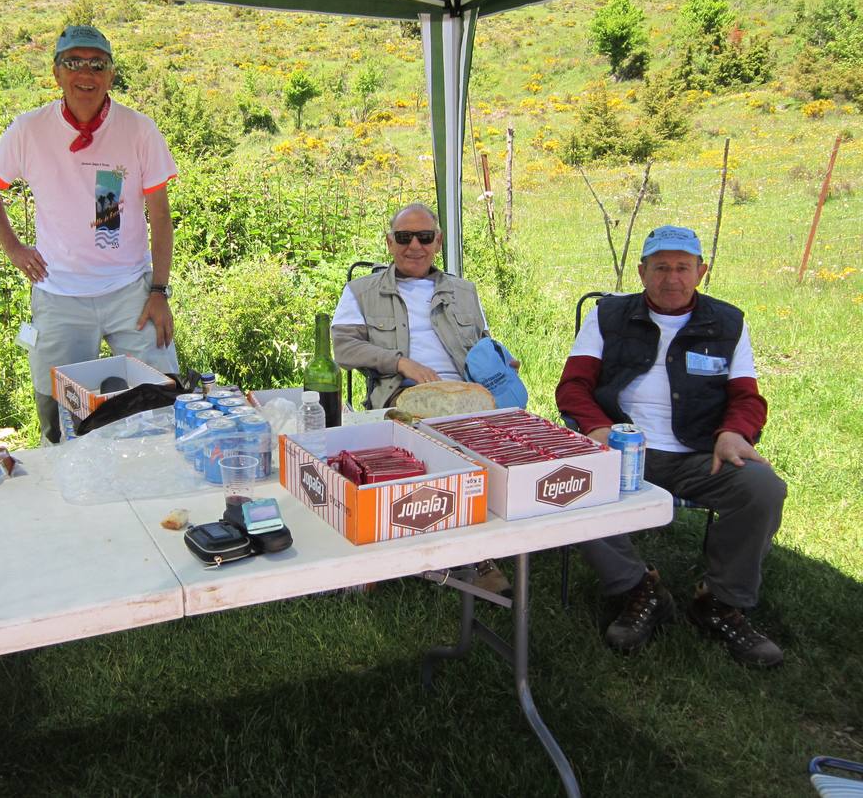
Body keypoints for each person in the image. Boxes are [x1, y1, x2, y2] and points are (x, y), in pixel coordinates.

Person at [556, 225, 786, 668]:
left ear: (701, 271)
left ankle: (720, 602)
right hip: (620, 448)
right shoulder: (608, 316)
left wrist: (735, 431)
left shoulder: (727, 322)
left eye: (683, 267)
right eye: (660, 267)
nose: (672, 278)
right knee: (570, 485)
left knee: (762, 488)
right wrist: (597, 428)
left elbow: (746, 397)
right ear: (642, 271)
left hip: (701, 452)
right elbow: (574, 386)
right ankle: (638, 588)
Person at [0, 24, 179, 444]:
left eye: (97, 64)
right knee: (59, 421)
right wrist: (13, 248)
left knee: (162, 400)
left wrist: (159, 290)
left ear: (111, 74)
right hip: (59, 292)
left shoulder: (139, 129)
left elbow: (160, 216)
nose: (86, 73)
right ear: (56, 73)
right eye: (74, 62)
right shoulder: (29, 130)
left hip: (130, 291)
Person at [330, 202, 512, 595]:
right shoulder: (362, 291)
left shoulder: (464, 292)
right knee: (438, 437)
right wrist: (400, 362)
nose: (415, 246)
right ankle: (469, 553)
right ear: (389, 242)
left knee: (500, 433)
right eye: (404, 237)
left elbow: (481, 345)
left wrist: (502, 358)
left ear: (438, 242)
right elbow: (343, 349)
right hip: (401, 395)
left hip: (466, 394)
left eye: (425, 237)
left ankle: (472, 539)